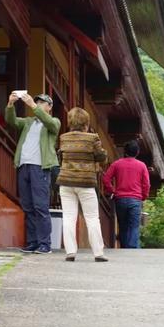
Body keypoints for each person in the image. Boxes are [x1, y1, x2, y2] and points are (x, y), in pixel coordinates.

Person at [5, 92, 61, 254]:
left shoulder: (54, 122)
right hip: (24, 166)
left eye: (42, 103)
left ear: (49, 107)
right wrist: (10, 104)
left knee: (40, 206)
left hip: (40, 167)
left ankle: (45, 243)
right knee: (28, 206)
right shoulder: (28, 122)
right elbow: (11, 121)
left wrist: (32, 105)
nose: (39, 104)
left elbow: (50, 123)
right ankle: (33, 242)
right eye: (37, 102)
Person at [56, 107, 108, 262]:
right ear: (86, 122)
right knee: (92, 217)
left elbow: (61, 157)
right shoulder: (92, 138)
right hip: (86, 182)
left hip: (66, 181)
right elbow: (101, 157)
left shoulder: (63, 138)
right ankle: (98, 253)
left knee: (68, 217)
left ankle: (70, 252)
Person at [102, 140, 150, 249]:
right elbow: (146, 184)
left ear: (125, 151)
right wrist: (144, 196)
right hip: (135, 200)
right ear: (137, 152)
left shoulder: (117, 164)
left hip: (120, 199)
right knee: (134, 226)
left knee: (123, 226)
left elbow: (106, 179)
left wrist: (112, 191)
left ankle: (124, 249)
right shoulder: (142, 166)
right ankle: (132, 249)